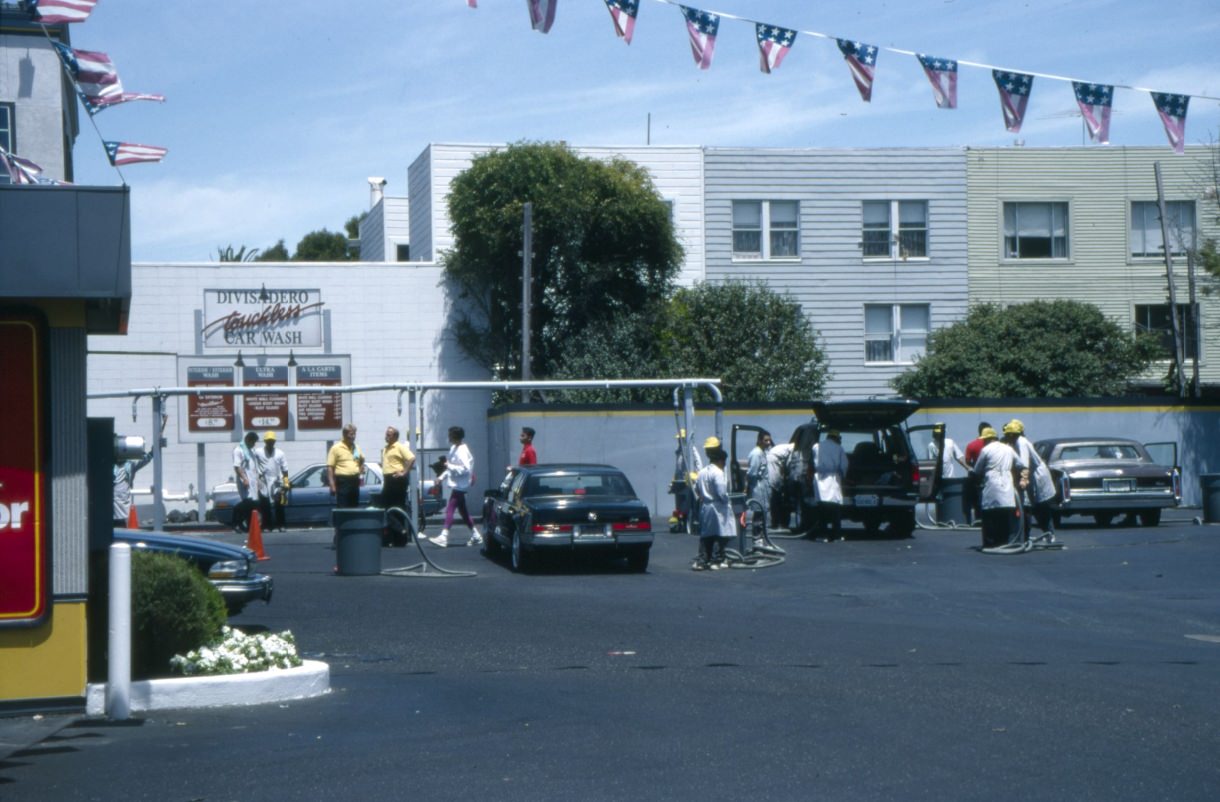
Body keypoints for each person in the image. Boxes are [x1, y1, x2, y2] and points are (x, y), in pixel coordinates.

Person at [971, 426, 1027, 549]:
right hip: (1007, 484)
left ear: (987, 439)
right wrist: (1022, 479)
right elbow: (1021, 465)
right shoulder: (1008, 449)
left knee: (989, 515)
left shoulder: (986, 450)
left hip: (991, 483)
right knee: (1005, 514)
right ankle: (1004, 542)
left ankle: (990, 543)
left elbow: (977, 470)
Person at [1003, 419, 1057, 540]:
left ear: (1013, 434)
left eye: (1008, 435)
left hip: (1038, 476)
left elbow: (1024, 464)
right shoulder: (1018, 442)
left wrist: (1023, 480)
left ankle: (1049, 534)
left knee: (1040, 508)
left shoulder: (1021, 443)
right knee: (1036, 507)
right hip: (1034, 476)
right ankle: (1045, 534)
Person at [430, 426, 483, 548]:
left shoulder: (463, 450)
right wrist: (441, 477)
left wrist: (450, 466)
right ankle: (476, 535)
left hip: (461, 484)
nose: (448, 437)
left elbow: (465, 469)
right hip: (457, 484)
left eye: (450, 435)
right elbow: (449, 466)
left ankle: (444, 536)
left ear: (455, 436)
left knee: (450, 508)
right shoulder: (453, 448)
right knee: (463, 511)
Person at [693, 436, 734, 571]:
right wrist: (727, 500)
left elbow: (697, 490)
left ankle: (701, 560)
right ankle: (716, 560)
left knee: (706, 535)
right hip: (717, 506)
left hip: (705, 506)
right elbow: (722, 492)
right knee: (719, 534)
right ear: (721, 459)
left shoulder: (702, 472)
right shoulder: (718, 473)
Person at [380, 426, 416, 546]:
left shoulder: (399, 446)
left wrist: (404, 472)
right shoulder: (385, 448)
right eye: (386, 434)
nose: (386, 436)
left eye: (389, 435)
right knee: (389, 509)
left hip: (397, 480)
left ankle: (401, 533)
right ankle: (397, 537)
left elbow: (411, 458)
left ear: (395, 436)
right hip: (388, 479)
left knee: (396, 508)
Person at [812, 429, 849, 542]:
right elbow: (844, 465)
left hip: (819, 478)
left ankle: (823, 535)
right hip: (833, 478)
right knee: (835, 509)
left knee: (821, 508)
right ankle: (836, 535)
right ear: (836, 438)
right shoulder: (839, 448)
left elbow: (812, 461)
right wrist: (843, 476)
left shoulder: (816, 446)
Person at [254, 431, 290, 532]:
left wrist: (286, 483)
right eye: (268, 441)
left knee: (279, 504)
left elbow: (285, 469)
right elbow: (249, 457)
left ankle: (281, 525)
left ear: (274, 441)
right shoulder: (258, 452)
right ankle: (267, 526)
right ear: (265, 441)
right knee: (264, 505)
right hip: (263, 480)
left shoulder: (280, 453)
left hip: (276, 481)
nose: (270, 443)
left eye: (272, 441)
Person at [327, 423, 365, 508]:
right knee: (343, 506)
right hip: (343, 481)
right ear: (344, 434)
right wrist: (332, 485)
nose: (353, 436)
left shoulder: (356, 447)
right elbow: (330, 467)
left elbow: (362, 459)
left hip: (355, 480)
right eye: (351, 434)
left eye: (354, 434)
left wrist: (361, 467)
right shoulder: (336, 448)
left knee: (354, 505)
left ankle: (353, 521)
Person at [113, 449, 154, 528]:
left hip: (122, 502)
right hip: (113, 502)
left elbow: (142, 462)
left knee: (121, 524)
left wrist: (151, 453)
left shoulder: (129, 466)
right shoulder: (114, 467)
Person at [962, 422, 992, 526]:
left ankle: (977, 519)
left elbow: (967, 461)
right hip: (989, 476)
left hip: (976, 476)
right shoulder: (993, 446)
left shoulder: (971, 445)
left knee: (975, 499)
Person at [231, 431, 259, 533]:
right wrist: (244, 478)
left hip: (252, 480)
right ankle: (235, 521)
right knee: (246, 503)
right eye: (253, 442)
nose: (254, 444)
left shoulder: (250, 451)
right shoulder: (239, 450)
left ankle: (247, 526)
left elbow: (253, 467)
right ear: (248, 440)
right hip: (245, 481)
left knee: (252, 504)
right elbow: (237, 467)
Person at [766, 439, 795, 530]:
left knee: (775, 488)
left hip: (774, 459)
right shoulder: (793, 450)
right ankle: (777, 522)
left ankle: (776, 521)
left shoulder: (788, 447)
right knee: (775, 488)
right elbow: (789, 465)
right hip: (774, 460)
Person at [746, 430, 773, 516]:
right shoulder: (756, 454)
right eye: (766, 440)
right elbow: (752, 473)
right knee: (758, 512)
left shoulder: (763, 452)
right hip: (757, 486)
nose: (768, 443)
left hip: (763, 486)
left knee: (763, 512)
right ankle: (757, 529)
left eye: (769, 440)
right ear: (759, 440)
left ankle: (761, 528)